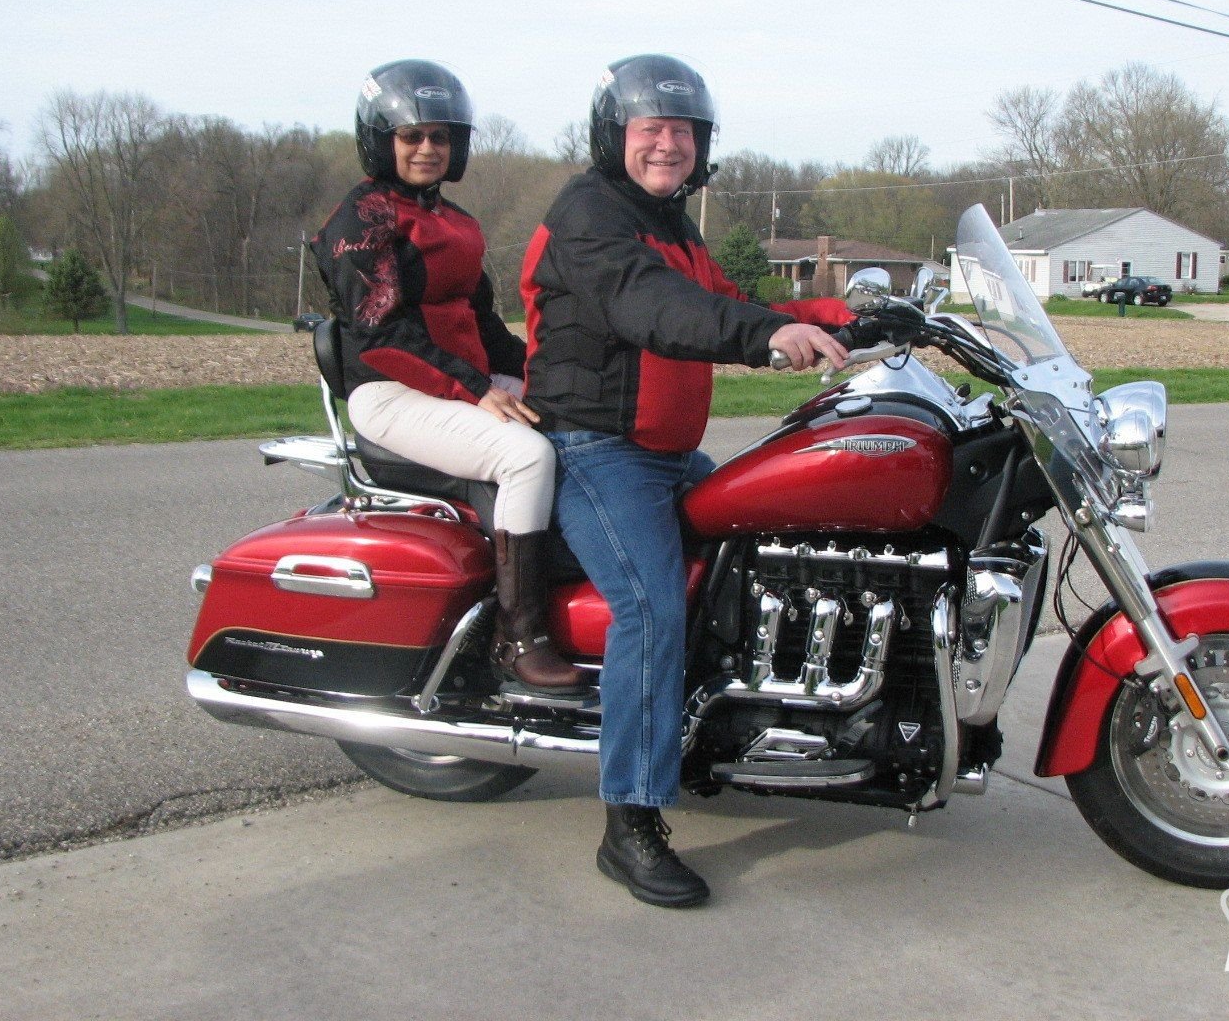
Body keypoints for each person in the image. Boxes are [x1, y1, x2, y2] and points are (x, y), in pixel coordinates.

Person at [520, 54, 854, 907]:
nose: (668, 145)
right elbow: (656, 308)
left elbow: (722, 296)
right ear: (616, 137)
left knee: (778, 536)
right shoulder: (590, 217)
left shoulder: (671, 222)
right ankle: (629, 820)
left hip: (664, 455)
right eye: (650, 130)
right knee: (652, 604)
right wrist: (766, 339)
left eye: (683, 132)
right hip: (598, 449)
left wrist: (843, 318)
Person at [312, 59, 587, 692]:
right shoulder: (363, 222)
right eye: (412, 137)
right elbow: (381, 339)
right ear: (382, 141)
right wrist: (478, 389)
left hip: (461, 382)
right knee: (523, 456)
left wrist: (550, 375)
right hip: (391, 393)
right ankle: (520, 636)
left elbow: (484, 327)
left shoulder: (457, 223)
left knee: (577, 416)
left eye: (441, 137)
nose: (428, 149)